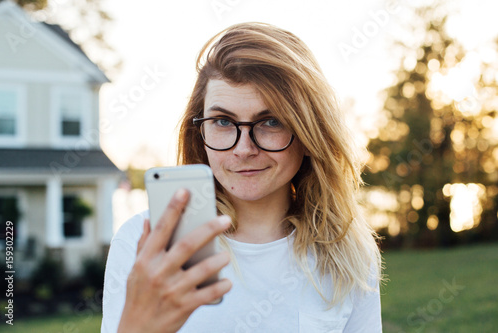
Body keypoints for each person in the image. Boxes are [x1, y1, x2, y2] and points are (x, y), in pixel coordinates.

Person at [102, 22, 383, 333]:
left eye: (271, 121)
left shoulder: (349, 252)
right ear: (200, 132)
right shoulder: (144, 243)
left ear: (308, 134)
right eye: (223, 121)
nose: (244, 149)